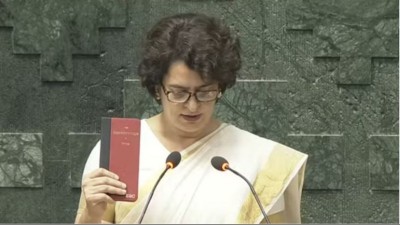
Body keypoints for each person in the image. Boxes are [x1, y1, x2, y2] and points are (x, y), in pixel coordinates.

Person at [74, 13, 308, 224]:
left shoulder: (261, 162)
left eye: (205, 92)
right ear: (157, 88)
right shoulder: (122, 146)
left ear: (221, 87)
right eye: (179, 92)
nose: (192, 105)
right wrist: (90, 216)